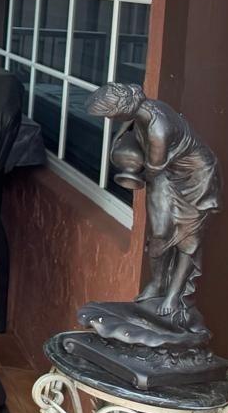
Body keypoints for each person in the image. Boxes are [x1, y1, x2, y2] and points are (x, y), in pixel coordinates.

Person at [87, 82, 220, 334]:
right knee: (159, 234)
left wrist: (130, 169)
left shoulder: (158, 127)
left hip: (195, 178)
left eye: (109, 114)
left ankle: (174, 295)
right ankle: (158, 282)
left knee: (187, 240)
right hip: (165, 172)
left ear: (122, 110)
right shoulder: (138, 114)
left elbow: (154, 168)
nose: (108, 119)